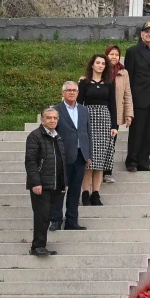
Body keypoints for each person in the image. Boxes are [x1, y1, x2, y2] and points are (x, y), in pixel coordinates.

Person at [124, 23, 150, 171]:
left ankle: (144, 161)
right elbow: (128, 77)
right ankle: (132, 161)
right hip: (138, 97)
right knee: (137, 131)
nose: (149, 34)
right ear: (141, 34)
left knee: (149, 133)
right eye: (146, 32)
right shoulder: (133, 52)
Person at [50, 81, 91, 232]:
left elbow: (87, 133)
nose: (72, 93)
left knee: (75, 190)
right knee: (60, 189)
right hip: (62, 156)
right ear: (63, 93)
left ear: (78, 93)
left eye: (74, 90)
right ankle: (55, 219)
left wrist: (89, 154)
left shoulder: (84, 110)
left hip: (80, 155)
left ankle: (72, 221)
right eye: (69, 90)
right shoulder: (56, 110)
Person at [77, 55, 117, 205]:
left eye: (103, 63)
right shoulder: (84, 83)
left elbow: (112, 105)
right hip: (88, 120)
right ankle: (85, 193)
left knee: (100, 161)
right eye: (97, 63)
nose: (100, 66)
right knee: (89, 161)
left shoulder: (109, 84)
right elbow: (79, 104)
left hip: (104, 121)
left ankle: (96, 193)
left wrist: (114, 126)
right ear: (92, 65)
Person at [25, 107, 63, 256]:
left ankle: (41, 245)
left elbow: (61, 160)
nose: (52, 120)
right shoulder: (35, 136)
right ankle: (37, 246)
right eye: (49, 118)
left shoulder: (57, 136)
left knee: (46, 216)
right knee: (41, 216)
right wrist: (35, 183)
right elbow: (30, 161)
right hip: (41, 184)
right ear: (42, 120)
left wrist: (62, 181)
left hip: (53, 183)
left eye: (55, 118)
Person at [102, 44, 132, 185]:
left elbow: (127, 94)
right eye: (111, 54)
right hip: (100, 112)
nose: (114, 57)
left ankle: (107, 172)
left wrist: (129, 114)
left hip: (115, 112)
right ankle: (96, 170)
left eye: (116, 55)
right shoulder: (100, 69)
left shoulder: (123, 72)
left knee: (111, 143)